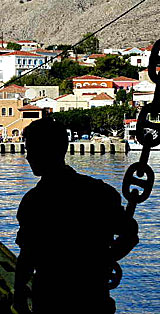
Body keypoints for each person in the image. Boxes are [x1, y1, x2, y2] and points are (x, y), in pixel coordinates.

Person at [13, 117, 138, 314]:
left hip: (50, 300)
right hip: (94, 298)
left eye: (31, 150)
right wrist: (105, 259)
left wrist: (19, 294)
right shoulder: (101, 193)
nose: (28, 157)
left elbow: (27, 257)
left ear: (42, 152)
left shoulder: (34, 202)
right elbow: (130, 234)